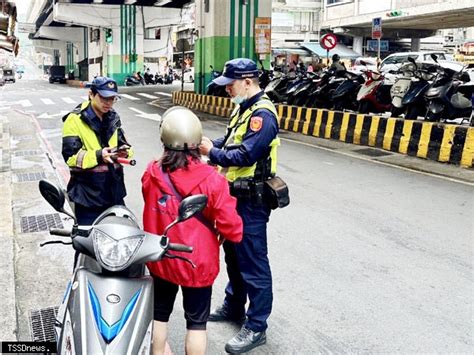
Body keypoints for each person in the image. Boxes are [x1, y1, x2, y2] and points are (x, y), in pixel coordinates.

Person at [142, 106, 243, 355]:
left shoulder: (151, 172)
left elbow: (148, 201)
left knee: (159, 316)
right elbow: (233, 229)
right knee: (197, 324)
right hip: (197, 263)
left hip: (161, 258)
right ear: (198, 142)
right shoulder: (213, 180)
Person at [199, 58, 280, 354]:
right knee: (233, 255)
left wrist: (214, 153)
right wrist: (206, 144)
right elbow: (233, 140)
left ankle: (257, 325)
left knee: (253, 262)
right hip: (233, 197)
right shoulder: (243, 109)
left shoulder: (263, 114)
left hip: (252, 200)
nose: (228, 91)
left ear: (248, 82)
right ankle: (234, 306)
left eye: (231, 85)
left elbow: (246, 154)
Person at [62, 76, 132, 226]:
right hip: (88, 198)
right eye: (104, 98)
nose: (108, 103)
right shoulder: (74, 119)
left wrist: (124, 152)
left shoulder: (113, 117)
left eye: (112, 99)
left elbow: (124, 144)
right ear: (91, 94)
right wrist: (99, 156)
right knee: (90, 245)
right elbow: (71, 157)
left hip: (115, 193)